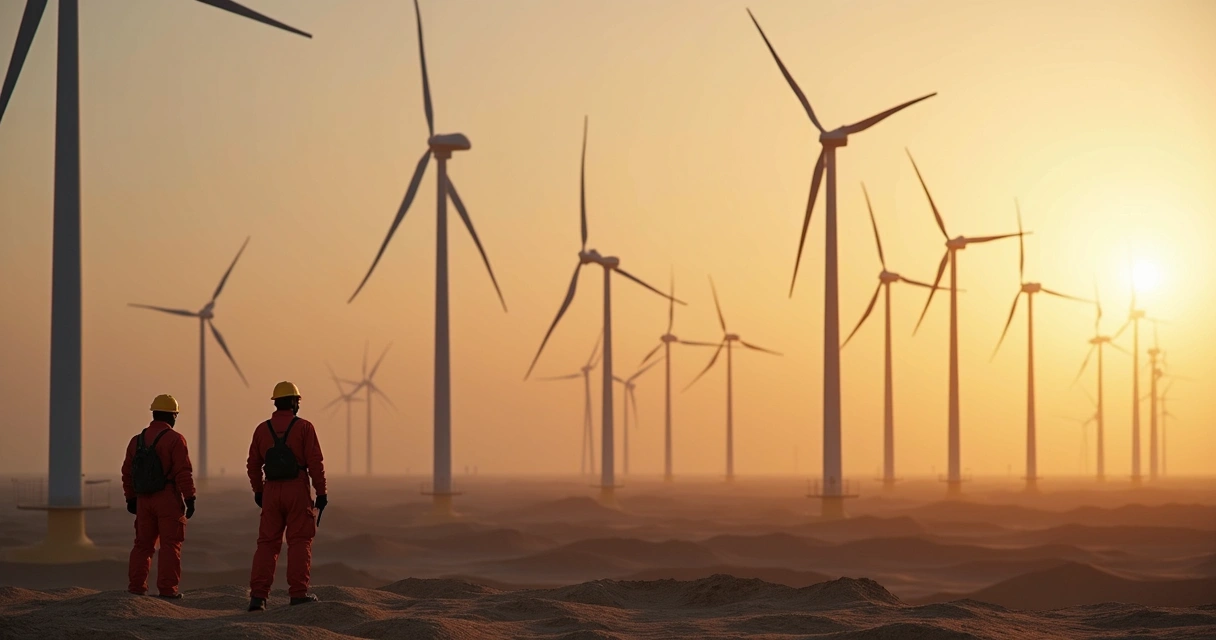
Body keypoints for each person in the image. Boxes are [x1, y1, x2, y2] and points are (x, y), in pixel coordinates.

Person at [247, 381, 327, 611]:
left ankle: (258, 597)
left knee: (267, 544)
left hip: (271, 490)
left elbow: (253, 464)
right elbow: (315, 464)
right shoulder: (304, 428)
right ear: (293, 402)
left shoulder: (262, 430)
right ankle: (298, 593)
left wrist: (258, 491)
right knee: (300, 541)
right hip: (296, 489)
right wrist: (321, 492)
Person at [122, 394, 196, 599]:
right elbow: (183, 472)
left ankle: (136, 588)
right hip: (167, 498)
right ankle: (167, 591)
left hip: (144, 500)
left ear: (154, 414)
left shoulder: (136, 441)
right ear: (172, 416)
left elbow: (127, 472)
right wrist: (190, 498)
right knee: (170, 545)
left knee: (142, 545)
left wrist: (130, 498)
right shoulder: (175, 439)